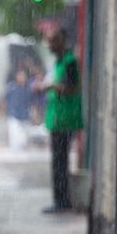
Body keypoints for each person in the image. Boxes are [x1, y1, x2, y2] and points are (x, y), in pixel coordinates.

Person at [37, 28, 83, 213]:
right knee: (57, 162)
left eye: (54, 40)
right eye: (48, 41)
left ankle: (62, 201)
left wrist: (51, 86)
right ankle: (59, 200)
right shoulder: (59, 62)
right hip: (57, 119)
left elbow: (71, 88)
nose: (50, 45)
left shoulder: (70, 62)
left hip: (66, 120)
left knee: (60, 162)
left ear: (63, 40)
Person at [4, 67, 33, 152]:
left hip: (25, 116)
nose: (22, 78)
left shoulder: (29, 89)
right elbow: (5, 101)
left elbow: (32, 103)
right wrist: (3, 112)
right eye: (20, 76)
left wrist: (35, 114)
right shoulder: (11, 87)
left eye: (23, 76)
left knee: (24, 139)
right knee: (15, 138)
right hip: (13, 115)